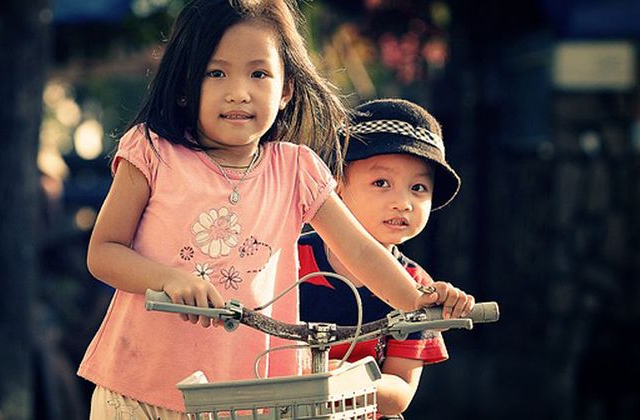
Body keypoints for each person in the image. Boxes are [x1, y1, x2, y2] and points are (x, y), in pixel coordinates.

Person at [78, 1, 474, 418]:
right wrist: (169, 280)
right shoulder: (152, 150)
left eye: (259, 73)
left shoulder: (296, 168)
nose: (239, 92)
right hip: (138, 389)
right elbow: (103, 252)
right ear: (183, 85)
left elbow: (362, 252)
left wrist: (422, 300)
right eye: (216, 73)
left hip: (247, 401)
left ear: (285, 90)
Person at [299, 98, 474, 418]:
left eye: (418, 187)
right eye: (381, 183)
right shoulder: (290, 259)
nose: (403, 202)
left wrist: (342, 382)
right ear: (335, 184)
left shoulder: (417, 288)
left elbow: (400, 390)